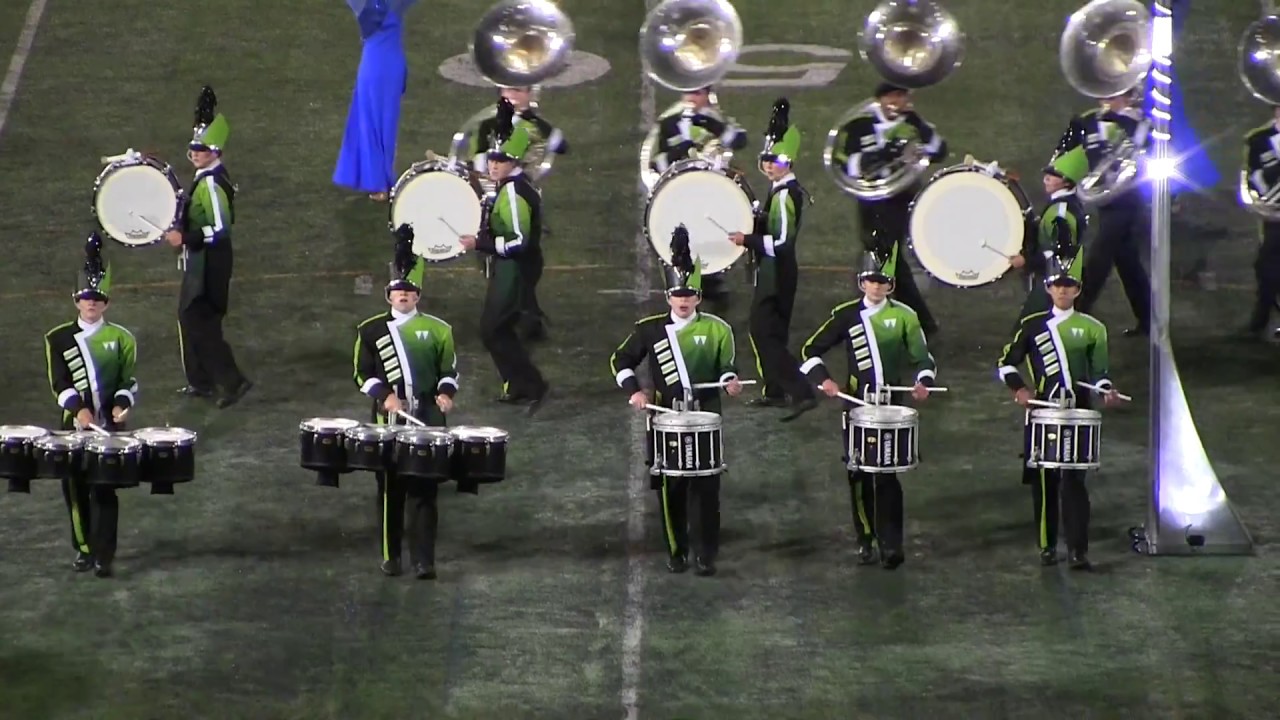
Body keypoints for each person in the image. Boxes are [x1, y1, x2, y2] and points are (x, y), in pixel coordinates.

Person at [609, 226, 743, 576]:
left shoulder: (718, 329)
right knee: (671, 490)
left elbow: (727, 367)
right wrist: (634, 390)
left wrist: (730, 381)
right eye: (677, 294)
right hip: (666, 421)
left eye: (689, 294)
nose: (683, 301)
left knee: (707, 489)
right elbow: (620, 361)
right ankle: (676, 551)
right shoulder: (650, 330)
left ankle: (706, 555)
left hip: (705, 419)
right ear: (668, 296)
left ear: (698, 297)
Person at [797, 249, 936, 570]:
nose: (876, 286)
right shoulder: (846, 315)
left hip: (891, 407)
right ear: (861, 283)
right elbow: (810, 351)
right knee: (858, 474)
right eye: (871, 280)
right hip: (857, 405)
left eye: (882, 281)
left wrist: (923, 381)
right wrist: (824, 380)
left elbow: (923, 359)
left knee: (887, 475)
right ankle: (866, 539)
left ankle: (891, 544)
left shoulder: (905, 316)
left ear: (890, 285)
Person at [997, 256, 1122, 570]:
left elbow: (1100, 372)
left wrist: (1106, 389)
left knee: (1074, 482)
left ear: (1077, 290)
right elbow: (1006, 363)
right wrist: (1019, 389)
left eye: (1068, 285)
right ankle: (1047, 546)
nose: (1062, 291)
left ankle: (1078, 550)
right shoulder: (1032, 325)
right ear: (1048, 288)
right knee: (1044, 482)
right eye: (1057, 285)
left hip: (1079, 411)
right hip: (1043, 412)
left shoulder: (1093, 328)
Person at [353, 225, 459, 579]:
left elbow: (449, 371)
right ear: (388, 296)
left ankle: (424, 561)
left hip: (427, 420)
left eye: (408, 291)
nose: (403, 295)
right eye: (397, 291)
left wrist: (446, 394)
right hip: (388, 424)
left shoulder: (440, 329)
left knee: (425, 491)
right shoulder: (370, 330)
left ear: (417, 297)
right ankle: (391, 556)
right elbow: (361, 374)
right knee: (390, 491)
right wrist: (385, 396)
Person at [44, 234, 138, 578]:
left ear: (106, 303)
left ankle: (104, 556)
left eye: (97, 298)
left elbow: (129, 381)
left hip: (108, 429)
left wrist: (121, 405)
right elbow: (59, 383)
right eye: (86, 297)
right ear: (76, 301)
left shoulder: (122, 338)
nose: (91, 303)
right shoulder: (58, 338)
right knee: (75, 490)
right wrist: (79, 409)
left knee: (104, 490)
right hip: (73, 427)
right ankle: (84, 549)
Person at [834, 82, 947, 335]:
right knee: (884, 256)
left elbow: (939, 150)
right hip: (871, 200)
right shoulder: (859, 125)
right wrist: (882, 155)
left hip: (902, 196)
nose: (897, 101)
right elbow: (844, 163)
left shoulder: (911, 124)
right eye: (892, 96)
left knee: (886, 255)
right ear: (880, 99)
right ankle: (909, 318)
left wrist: (917, 123)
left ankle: (910, 319)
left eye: (902, 95)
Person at [164, 86, 252, 409]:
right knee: (190, 318)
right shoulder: (205, 176)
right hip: (202, 258)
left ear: (216, 150)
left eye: (202, 148)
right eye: (193, 148)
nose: (195, 153)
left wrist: (184, 239)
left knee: (201, 321)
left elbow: (219, 229)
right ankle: (200, 381)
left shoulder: (212, 184)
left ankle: (232, 381)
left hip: (211, 260)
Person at [459, 100, 549, 412]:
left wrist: (480, 243)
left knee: (493, 329)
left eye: (501, 160)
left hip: (515, 267)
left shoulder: (512, 192)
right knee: (500, 328)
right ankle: (522, 384)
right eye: (491, 159)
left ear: (514, 161)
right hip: (516, 265)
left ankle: (531, 384)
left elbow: (518, 241)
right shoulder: (513, 184)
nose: (493, 166)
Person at [726, 97, 815, 411]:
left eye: (774, 160)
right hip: (773, 271)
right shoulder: (778, 190)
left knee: (765, 332)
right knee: (768, 331)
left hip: (778, 272)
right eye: (765, 159)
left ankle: (800, 390)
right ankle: (775, 390)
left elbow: (782, 242)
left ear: (788, 162)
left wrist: (747, 239)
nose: (768, 165)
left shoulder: (785, 196)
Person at [465, 86, 568, 344]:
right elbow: (478, 165)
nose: (512, 94)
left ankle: (523, 321)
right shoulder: (487, 124)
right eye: (507, 88)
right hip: (496, 200)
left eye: (519, 89)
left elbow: (561, 145)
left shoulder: (532, 126)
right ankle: (528, 317)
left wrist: (533, 119)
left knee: (512, 271)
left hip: (515, 205)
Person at [1056, 88, 1152, 336]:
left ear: (1128, 96)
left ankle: (1074, 313)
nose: (1105, 100)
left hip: (1129, 200)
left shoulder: (1143, 125)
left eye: (1113, 96)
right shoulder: (1087, 121)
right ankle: (1149, 320)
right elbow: (1066, 154)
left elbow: (1152, 158)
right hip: (1104, 201)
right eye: (1104, 94)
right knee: (1127, 261)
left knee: (1099, 257)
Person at [648, 85, 749, 308]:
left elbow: (740, 140)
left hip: (708, 191)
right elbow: (655, 163)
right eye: (689, 92)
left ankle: (709, 280)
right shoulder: (669, 121)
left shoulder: (713, 117)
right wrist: (681, 151)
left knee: (705, 232)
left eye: (698, 93)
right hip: (678, 191)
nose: (692, 98)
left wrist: (713, 125)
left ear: (706, 95)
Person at [333, 0, 413, 201]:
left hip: (375, 66)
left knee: (371, 125)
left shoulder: (368, 8)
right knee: (385, 127)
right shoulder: (395, 6)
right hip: (393, 63)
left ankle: (379, 184)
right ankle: (382, 179)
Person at [1008, 146, 1089, 329]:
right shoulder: (1064, 203)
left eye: (1053, 176)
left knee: (1028, 329)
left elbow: (1061, 253)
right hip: (1059, 280)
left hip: (1058, 283)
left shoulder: (1062, 212)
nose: (1046, 179)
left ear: (1066, 182)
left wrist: (1027, 260)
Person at [1242, 105, 1280, 340]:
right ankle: (1261, 317)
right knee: (1265, 266)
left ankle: (1261, 319)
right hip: (1274, 214)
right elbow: (1251, 175)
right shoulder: (1258, 139)